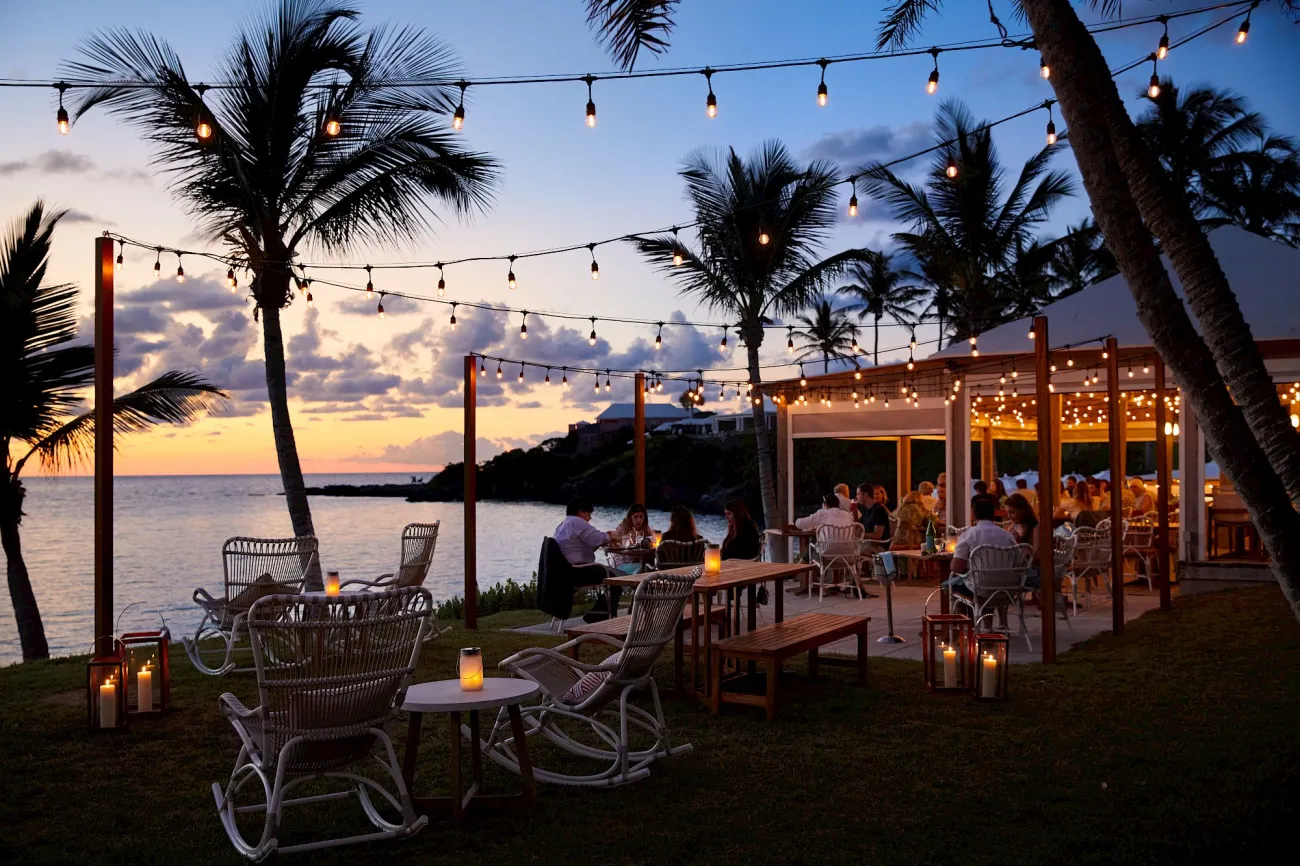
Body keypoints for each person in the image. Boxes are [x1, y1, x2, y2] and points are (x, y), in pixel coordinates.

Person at [950, 496, 1018, 578]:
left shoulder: (967, 535)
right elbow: (1017, 562)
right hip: (1007, 585)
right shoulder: (1007, 535)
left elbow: (956, 567)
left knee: (950, 582)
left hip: (977, 587)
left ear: (973, 515)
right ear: (993, 515)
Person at [554, 498, 615, 567]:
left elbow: (577, 546)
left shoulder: (563, 525)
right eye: (589, 514)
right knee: (620, 574)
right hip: (579, 570)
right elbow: (598, 538)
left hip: (566, 568)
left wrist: (599, 542)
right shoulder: (577, 522)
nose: (590, 518)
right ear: (581, 512)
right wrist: (613, 535)